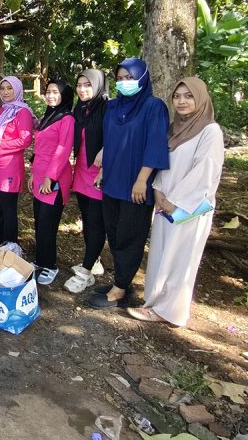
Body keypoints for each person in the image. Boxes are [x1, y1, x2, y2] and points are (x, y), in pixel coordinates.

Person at [128, 77, 224, 326]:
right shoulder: (174, 129)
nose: (182, 101)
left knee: (180, 258)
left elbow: (206, 171)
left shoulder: (209, 131)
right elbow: (164, 164)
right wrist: (159, 191)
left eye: (189, 96)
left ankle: (169, 311)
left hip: (189, 207)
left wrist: (177, 201)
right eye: (177, 96)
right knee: (162, 253)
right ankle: (155, 303)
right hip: (165, 202)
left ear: (200, 98)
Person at [87, 58, 169, 309]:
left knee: (129, 235)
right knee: (113, 232)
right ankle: (122, 281)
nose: (124, 83)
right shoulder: (113, 106)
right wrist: (103, 170)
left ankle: (120, 290)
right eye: (120, 79)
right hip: (112, 180)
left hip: (136, 184)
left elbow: (155, 144)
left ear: (142, 78)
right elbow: (110, 141)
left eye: (129, 78)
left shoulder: (154, 107)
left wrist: (142, 179)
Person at [63, 69, 109, 293]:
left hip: (99, 172)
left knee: (97, 221)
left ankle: (85, 272)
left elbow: (117, 136)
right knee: (87, 220)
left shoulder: (107, 107)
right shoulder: (80, 108)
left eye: (87, 85)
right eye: (79, 85)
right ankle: (94, 260)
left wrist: (106, 156)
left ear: (98, 85)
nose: (82, 89)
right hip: (81, 169)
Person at [30, 79, 75, 285]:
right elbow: (39, 150)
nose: (50, 95)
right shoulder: (47, 117)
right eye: (48, 92)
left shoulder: (67, 119)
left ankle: (51, 265)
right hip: (39, 176)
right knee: (39, 222)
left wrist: (50, 177)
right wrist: (34, 174)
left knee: (48, 223)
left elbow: (63, 150)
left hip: (54, 179)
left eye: (55, 92)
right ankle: (40, 260)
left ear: (64, 95)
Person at [0, 76, 35, 245]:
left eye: (9, 88)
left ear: (18, 90)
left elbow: (25, 140)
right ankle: (0, 244)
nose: (5, 92)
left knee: (8, 210)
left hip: (10, 167)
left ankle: (10, 246)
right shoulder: (2, 111)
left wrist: (0, 146)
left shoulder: (23, 112)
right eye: (2, 88)